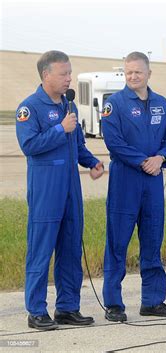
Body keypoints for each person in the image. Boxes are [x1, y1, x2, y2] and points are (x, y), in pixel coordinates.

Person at [16, 50, 104, 330]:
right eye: (64, 74)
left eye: (70, 73)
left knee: (70, 250)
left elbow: (77, 145)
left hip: (71, 190)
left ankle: (67, 308)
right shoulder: (30, 108)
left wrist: (92, 162)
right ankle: (36, 310)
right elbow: (29, 146)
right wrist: (59, 129)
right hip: (46, 191)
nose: (69, 79)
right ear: (46, 75)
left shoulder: (70, 107)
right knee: (41, 250)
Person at [101, 52, 166, 322]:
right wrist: (142, 160)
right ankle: (113, 303)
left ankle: (153, 301)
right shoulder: (116, 104)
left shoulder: (161, 103)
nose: (133, 76)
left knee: (152, 240)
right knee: (117, 243)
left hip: (154, 181)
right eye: (128, 72)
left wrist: (161, 158)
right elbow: (113, 142)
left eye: (137, 72)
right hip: (126, 180)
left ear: (148, 73)